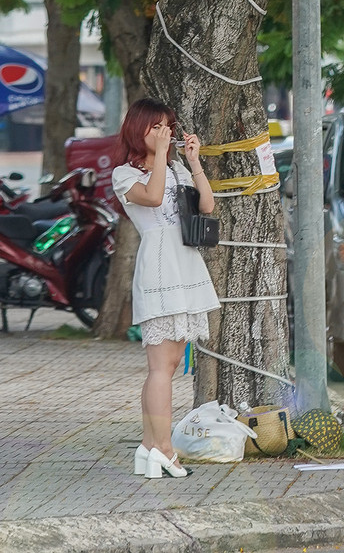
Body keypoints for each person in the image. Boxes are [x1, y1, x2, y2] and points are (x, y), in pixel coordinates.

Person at [112, 98, 219, 480]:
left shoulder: (175, 168)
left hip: (185, 261)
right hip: (159, 266)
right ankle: (164, 448)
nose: (164, 133)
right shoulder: (124, 174)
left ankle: (148, 447)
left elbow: (205, 207)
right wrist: (160, 156)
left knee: (169, 365)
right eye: (156, 127)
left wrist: (193, 162)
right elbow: (154, 198)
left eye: (167, 127)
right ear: (138, 128)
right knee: (161, 367)